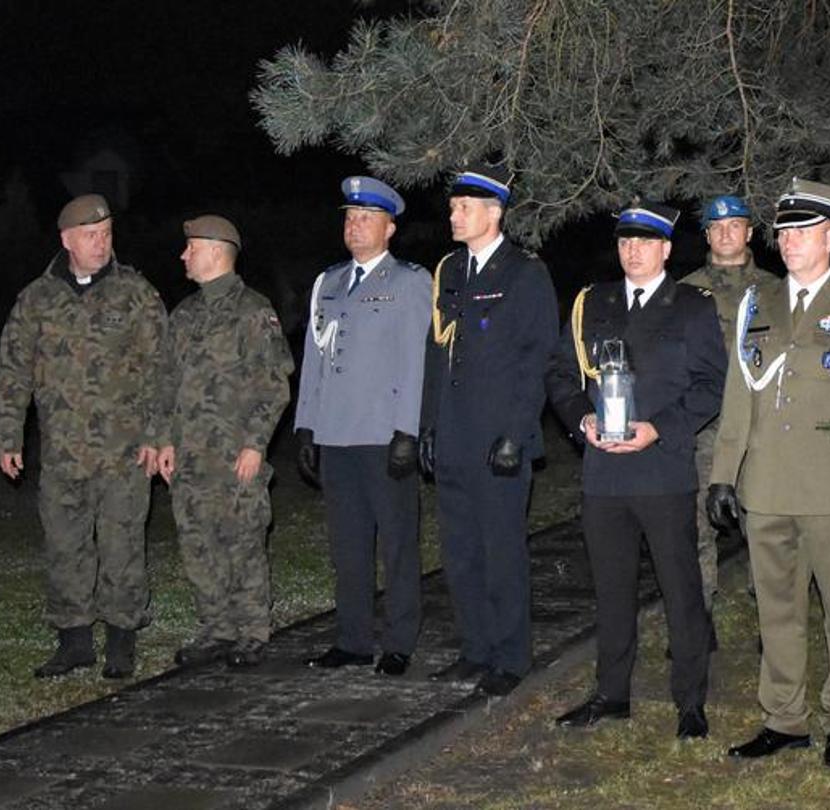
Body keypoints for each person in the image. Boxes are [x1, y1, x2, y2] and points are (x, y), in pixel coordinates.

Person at [707, 178, 830, 769]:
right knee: (777, 610)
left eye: (802, 233)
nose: (789, 243)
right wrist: (723, 475)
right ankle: (783, 718)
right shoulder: (755, 306)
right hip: (765, 487)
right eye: (784, 233)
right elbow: (739, 396)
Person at [549, 203, 726, 739]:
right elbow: (560, 373)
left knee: (682, 589)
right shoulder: (591, 302)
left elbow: (711, 386)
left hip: (662, 470)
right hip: (603, 473)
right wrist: (580, 419)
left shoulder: (693, 307)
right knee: (611, 589)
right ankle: (612, 694)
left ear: (667, 250)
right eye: (625, 242)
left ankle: (690, 702)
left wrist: (660, 428)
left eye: (645, 243)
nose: (633, 251)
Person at [0, 194, 166, 680]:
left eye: (107, 233)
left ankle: (121, 641)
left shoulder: (135, 293)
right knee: (66, 546)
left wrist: (158, 434)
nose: (102, 243)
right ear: (67, 240)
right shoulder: (36, 300)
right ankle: (73, 642)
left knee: (121, 545)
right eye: (91, 235)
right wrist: (7, 436)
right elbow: (13, 371)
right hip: (63, 451)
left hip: (125, 451)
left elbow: (161, 370)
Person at [419, 163, 559, 697]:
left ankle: (511, 656)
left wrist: (517, 432)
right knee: (460, 551)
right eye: (453, 207)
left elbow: (537, 356)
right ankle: (474, 649)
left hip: (499, 437)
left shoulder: (523, 272)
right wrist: (428, 426)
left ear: (494, 212)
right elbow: (438, 354)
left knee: (501, 550)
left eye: (464, 207)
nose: (453, 215)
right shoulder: (450, 269)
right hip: (455, 434)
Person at [293, 176, 431, 677]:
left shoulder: (409, 282)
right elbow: (316, 358)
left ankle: (398, 641)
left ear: (389, 228)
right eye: (350, 218)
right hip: (336, 433)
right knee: (347, 546)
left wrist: (406, 431)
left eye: (366, 219)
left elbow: (417, 361)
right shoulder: (327, 282)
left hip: (382, 435)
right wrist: (306, 426)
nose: (355, 227)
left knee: (396, 543)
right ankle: (352, 639)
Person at [151, 215, 295, 669]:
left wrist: (256, 444)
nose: (183, 255)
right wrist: (164, 440)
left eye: (190, 247)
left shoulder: (253, 311)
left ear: (215, 251)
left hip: (235, 454)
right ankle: (216, 628)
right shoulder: (185, 314)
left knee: (243, 542)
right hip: (192, 457)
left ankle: (251, 630)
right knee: (198, 544)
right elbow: (166, 383)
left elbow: (274, 384)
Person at [678, 194, 775, 616]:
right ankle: (699, 617)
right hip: (704, 424)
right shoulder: (684, 292)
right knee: (697, 521)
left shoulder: (776, 289)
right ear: (707, 234)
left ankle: (768, 614)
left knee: (764, 522)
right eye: (716, 227)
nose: (725, 233)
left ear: (749, 232)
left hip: (761, 425)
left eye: (734, 225)